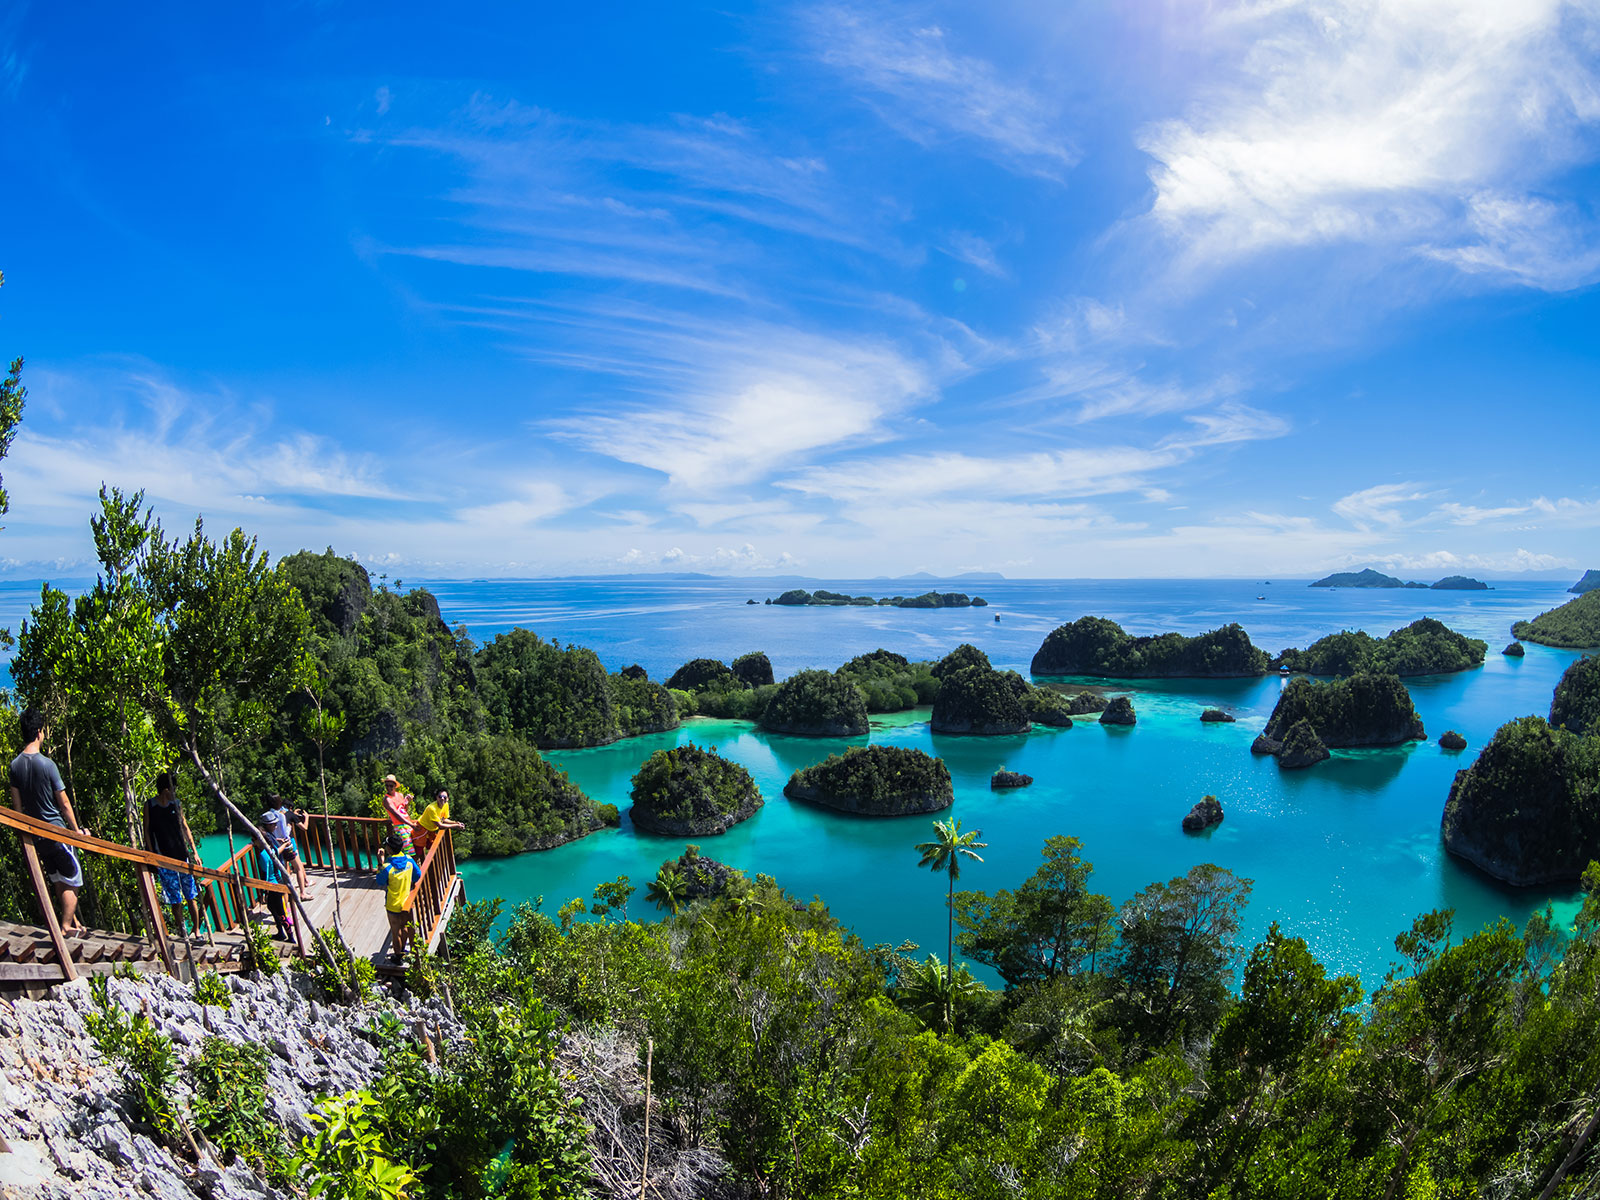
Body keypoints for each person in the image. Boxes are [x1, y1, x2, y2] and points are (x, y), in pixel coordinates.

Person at [7, 709, 91, 933]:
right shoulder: (47, 765)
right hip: (56, 832)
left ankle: (72, 922)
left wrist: (25, 836)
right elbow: (64, 803)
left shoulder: (14, 766)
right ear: (38, 732)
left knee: (58, 878)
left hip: (37, 836)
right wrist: (77, 831)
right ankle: (65, 926)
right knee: (73, 877)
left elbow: (17, 808)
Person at [145, 772, 205, 940]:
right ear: (166, 790)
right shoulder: (150, 806)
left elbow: (185, 827)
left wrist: (194, 852)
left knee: (191, 894)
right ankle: (182, 931)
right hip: (164, 859)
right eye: (173, 789)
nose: (174, 792)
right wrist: (152, 855)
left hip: (182, 856)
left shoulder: (176, 805)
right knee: (175, 899)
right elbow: (147, 831)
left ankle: (197, 931)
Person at [376, 832, 421, 964]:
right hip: (406, 901)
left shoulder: (387, 867)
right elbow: (417, 875)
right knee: (405, 927)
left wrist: (380, 863)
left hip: (393, 904)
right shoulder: (409, 860)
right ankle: (402, 949)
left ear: (389, 849)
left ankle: (398, 957)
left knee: (395, 932)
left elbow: (380, 881)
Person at [258, 794, 311, 897]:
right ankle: (302, 893)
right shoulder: (281, 816)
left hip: (275, 846)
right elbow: (284, 833)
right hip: (286, 846)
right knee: (299, 868)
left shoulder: (268, 815)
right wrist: (289, 828)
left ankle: (287, 893)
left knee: (283, 871)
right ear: (279, 803)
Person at [252, 831, 294, 942]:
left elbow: (265, 874)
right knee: (272, 907)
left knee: (280, 912)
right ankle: (281, 933)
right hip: (278, 881)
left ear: (259, 841)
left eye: (254, 840)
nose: (253, 843)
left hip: (273, 885)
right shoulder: (272, 849)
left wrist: (264, 891)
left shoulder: (263, 855)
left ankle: (291, 937)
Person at [412, 787, 464, 858]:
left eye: (445, 797)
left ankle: (428, 861)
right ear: (436, 797)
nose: (442, 799)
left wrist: (456, 823)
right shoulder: (432, 808)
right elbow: (440, 825)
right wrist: (455, 826)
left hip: (431, 830)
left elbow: (444, 819)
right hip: (422, 828)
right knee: (418, 851)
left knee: (433, 847)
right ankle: (415, 863)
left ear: (448, 799)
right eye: (440, 796)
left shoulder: (445, 805)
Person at [381, 774, 415, 851]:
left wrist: (407, 802)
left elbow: (404, 810)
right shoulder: (387, 800)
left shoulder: (400, 795)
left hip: (407, 823)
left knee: (415, 843)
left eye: (391, 786)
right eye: (387, 785)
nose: (388, 788)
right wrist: (412, 825)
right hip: (399, 826)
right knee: (408, 849)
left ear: (395, 786)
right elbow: (396, 814)